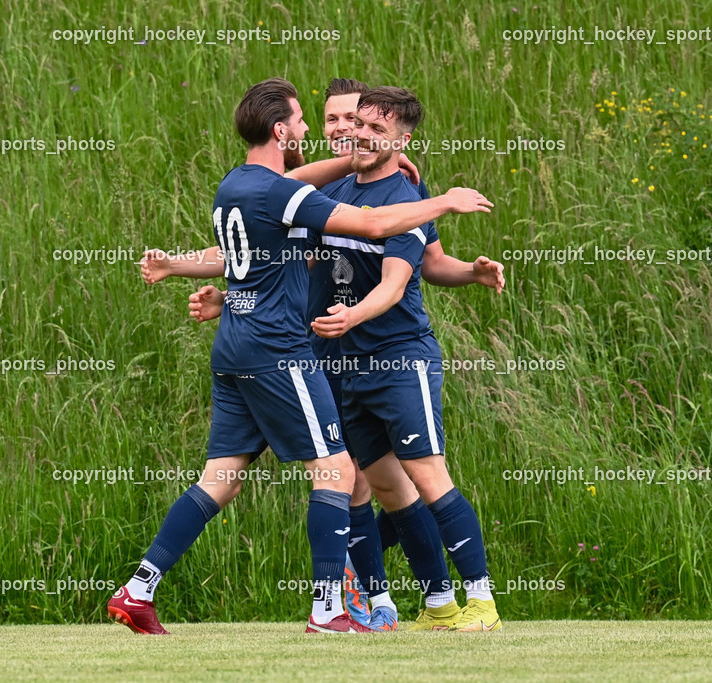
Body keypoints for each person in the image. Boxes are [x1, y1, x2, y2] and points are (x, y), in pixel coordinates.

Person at [109, 77, 494, 635]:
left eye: (362, 125)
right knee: (337, 472)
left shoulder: (235, 185)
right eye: (304, 120)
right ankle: (327, 609)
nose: (318, 129)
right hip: (278, 350)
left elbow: (260, 249)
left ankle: (139, 589)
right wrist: (446, 200)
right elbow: (372, 222)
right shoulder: (283, 192)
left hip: (235, 346)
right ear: (280, 130)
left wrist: (190, 274)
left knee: (222, 478)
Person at [309, 86, 502, 632]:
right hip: (347, 364)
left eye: (377, 129)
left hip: (399, 359)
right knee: (390, 489)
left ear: (403, 140)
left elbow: (397, 283)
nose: (361, 135)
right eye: (359, 124)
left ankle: (483, 603)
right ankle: (439, 605)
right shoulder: (335, 192)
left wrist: (353, 316)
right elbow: (297, 254)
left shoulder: (406, 197)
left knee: (428, 475)